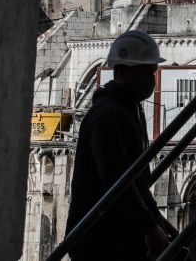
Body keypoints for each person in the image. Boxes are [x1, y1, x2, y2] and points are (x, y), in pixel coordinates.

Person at [65, 30, 179, 260]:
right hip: (99, 240)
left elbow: (136, 180)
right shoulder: (107, 115)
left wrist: (154, 217)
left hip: (117, 234)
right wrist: (148, 226)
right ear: (126, 72)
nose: (152, 79)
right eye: (148, 71)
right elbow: (116, 180)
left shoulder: (129, 109)